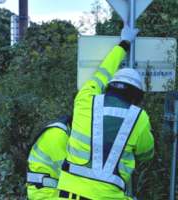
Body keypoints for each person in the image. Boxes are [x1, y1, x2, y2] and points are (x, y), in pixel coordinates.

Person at [56, 23, 154, 200]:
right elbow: (147, 154)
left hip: (68, 194)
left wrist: (125, 42)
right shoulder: (139, 117)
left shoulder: (85, 99)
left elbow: (103, 72)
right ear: (135, 98)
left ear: (108, 88)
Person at [27, 115, 73, 200]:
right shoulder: (57, 136)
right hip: (45, 193)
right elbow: (69, 175)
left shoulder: (65, 131)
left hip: (51, 191)